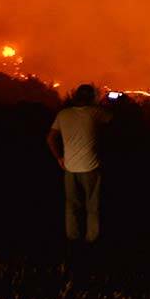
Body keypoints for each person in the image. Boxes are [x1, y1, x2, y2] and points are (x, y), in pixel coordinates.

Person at [46, 84, 112, 244]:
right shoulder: (96, 112)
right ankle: (92, 239)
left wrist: (59, 158)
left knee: (72, 206)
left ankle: (72, 239)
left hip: (69, 168)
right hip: (91, 167)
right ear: (92, 98)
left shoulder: (63, 114)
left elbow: (50, 138)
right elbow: (114, 121)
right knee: (93, 206)